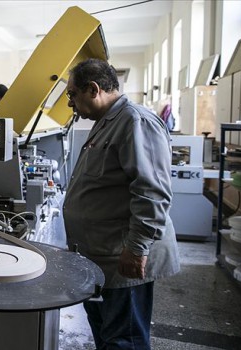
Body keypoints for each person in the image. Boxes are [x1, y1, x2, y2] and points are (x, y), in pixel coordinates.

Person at [63, 58, 180, 350]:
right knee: (106, 334)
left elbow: (152, 192)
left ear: (93, 89)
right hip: (101, 255)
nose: (70, 104)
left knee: (124, 340)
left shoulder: (135, 121)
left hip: (122, 258)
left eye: (71, 94)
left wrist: (137, 249)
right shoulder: (108, 122)